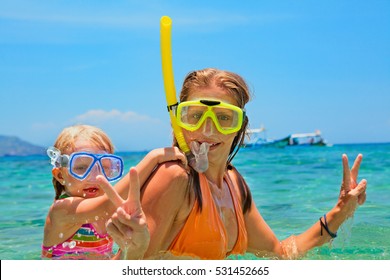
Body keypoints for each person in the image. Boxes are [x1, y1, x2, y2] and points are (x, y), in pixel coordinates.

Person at [107, 68, 367, 260]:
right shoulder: (174, 177)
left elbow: (280, 254)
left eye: (224, 118)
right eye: (195, 116)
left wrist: (340, 211)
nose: (207, 130)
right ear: (179, 121)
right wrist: (135, 250)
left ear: (240, 126)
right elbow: (134, 267)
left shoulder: (234, 184)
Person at [42, 124, 186, 259]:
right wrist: (153, 158)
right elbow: (105, 206)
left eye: (104, 167)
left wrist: (131, 250)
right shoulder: (61, 211)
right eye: (81, 168)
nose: (95, 177)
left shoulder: (111, 212)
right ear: (60, 175)